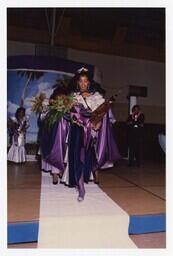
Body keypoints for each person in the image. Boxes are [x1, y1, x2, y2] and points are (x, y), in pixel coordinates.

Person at [62, 67, 121, 201]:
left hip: (90, 131)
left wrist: (98, 122)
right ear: (77, 83)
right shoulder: (73, 97)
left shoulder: (97, 97)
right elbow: (66, 115)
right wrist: (71, 116)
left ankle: (81, 180)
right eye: (80, 81)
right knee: (76, 156)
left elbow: (104, 114)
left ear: (89, 83)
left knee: (86, 157)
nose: (83, 84)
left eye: (85, 81)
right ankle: (80, 186)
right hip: (77, 130)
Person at [39, 86, 70, 185]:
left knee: (65, 153)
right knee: (55, 152)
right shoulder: (50, 109)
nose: (61, 99)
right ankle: (55, 174)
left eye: (63, 97)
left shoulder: (68, 109)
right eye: (59, 97)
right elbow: (43, 120)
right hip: (54, 135)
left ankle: (61, 170)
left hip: (66, 134)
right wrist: (44, 111)